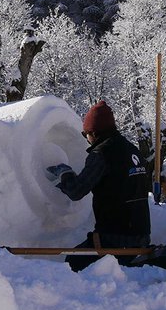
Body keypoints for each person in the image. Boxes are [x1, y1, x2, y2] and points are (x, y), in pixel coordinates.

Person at [46, 100, 151, 271]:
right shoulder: (132, 150)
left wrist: (65, 174)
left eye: (85, 134)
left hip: (115, 238)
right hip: (142, 235)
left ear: (93, 132)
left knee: (72, 264)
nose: (86, 139)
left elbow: (76, 191)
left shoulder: (102, 153)